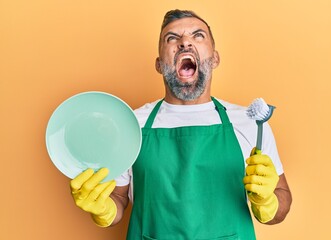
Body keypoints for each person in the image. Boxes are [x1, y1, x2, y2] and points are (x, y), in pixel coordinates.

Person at [69, 9, 292, 239]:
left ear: (215, 58)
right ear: (159, 64)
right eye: (172, 38)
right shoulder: (133, 124)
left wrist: (268, 203)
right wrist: (103, 210)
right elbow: (118, 198)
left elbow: (282, 197)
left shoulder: (249, 123)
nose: (185, 42)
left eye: (198, 35)